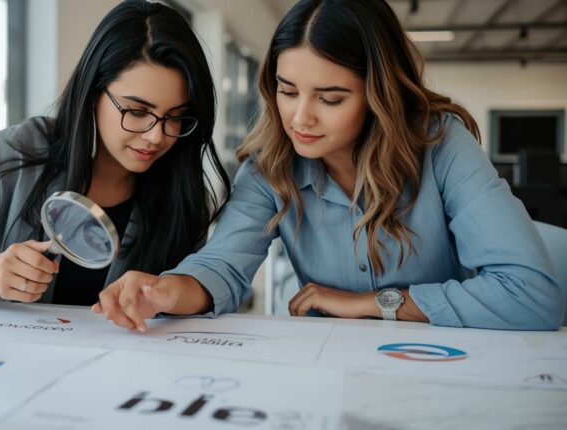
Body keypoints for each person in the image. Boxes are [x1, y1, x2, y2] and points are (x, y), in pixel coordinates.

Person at [93, 0, 563, 331]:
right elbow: (224, 265)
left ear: (380, 95)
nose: (300, 118)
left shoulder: (440, 143)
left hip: (450, 364)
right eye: (287, 89)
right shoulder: (269, 163)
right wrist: (166, 290)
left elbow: (531, 295)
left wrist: (372, 305)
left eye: (331, 98)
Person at [0, 0, 229, 307]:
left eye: (175, 117)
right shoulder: (14, 155)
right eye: (137, 112)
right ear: (93, 92)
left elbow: (193, 300)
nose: (157, 136)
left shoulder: (182, 188)